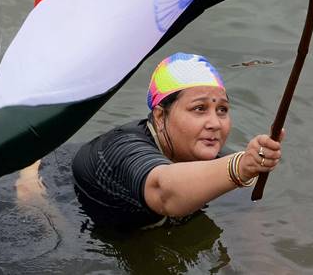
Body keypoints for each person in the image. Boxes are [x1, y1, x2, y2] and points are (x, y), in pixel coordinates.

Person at [71, 52, 284, 229]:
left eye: (222, 110)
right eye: (199, 109)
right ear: (160, 117)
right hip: (55, 197)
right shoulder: (122, 149)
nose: (215, 123)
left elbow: (249, 221)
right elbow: (163, 192)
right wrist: (241, 167)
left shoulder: (217, 157)